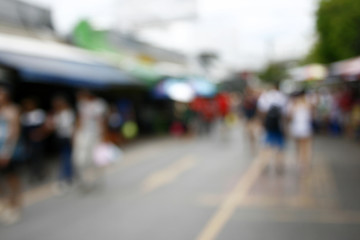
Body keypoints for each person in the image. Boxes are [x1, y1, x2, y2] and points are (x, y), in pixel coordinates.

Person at [73, 90, 107, 191]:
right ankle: (84, 180)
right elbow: (79, 119)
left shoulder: (98, 104)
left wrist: (103, 135)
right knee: (80, 159)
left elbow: (101, 120)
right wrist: (75, 135)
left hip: (95, 135)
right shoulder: (81, 105)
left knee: (95, 158)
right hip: (83, 135)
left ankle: (95, 179)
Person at [0, 84, 22, 224]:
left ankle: (15, 204)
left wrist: (6, 152)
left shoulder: (12, 111)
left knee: (11, 177)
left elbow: (14, 133)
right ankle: (4, 203)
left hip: (8, 151)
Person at [257, 84, 288, 171]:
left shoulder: (265, 97)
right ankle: (279, 165)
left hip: (268, 125)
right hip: (279, 125)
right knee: (280, 147)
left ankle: (264, 164)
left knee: (266, 146)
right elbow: (285, 114)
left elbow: (261, 111)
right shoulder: (282, 97)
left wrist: (262, 123)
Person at [49, 95, 76, 191]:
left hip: (67, 137)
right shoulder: (56, 114)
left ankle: (68, 177)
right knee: (63, 157)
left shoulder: (68, 113)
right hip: (60, 138)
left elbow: (71, 127)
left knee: (67, 157)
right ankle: (67, 176)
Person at [21, 97, 47, 182]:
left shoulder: (39, 113)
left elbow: (43, 126)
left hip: (38, 138)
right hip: (29, 140)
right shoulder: (24, 116)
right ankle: (33, 174)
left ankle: (40, 172)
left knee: (39, 156)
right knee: (30, 157)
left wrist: (39, 134)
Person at [287, 90, 313, 171]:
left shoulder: (294, 105)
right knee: (304, 146)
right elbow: (312, 116)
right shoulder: (307, 104)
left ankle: (301, 162)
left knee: (299, 146)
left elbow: (289, 117)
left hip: (298, 128)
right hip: (304, 127)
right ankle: (304, 162)